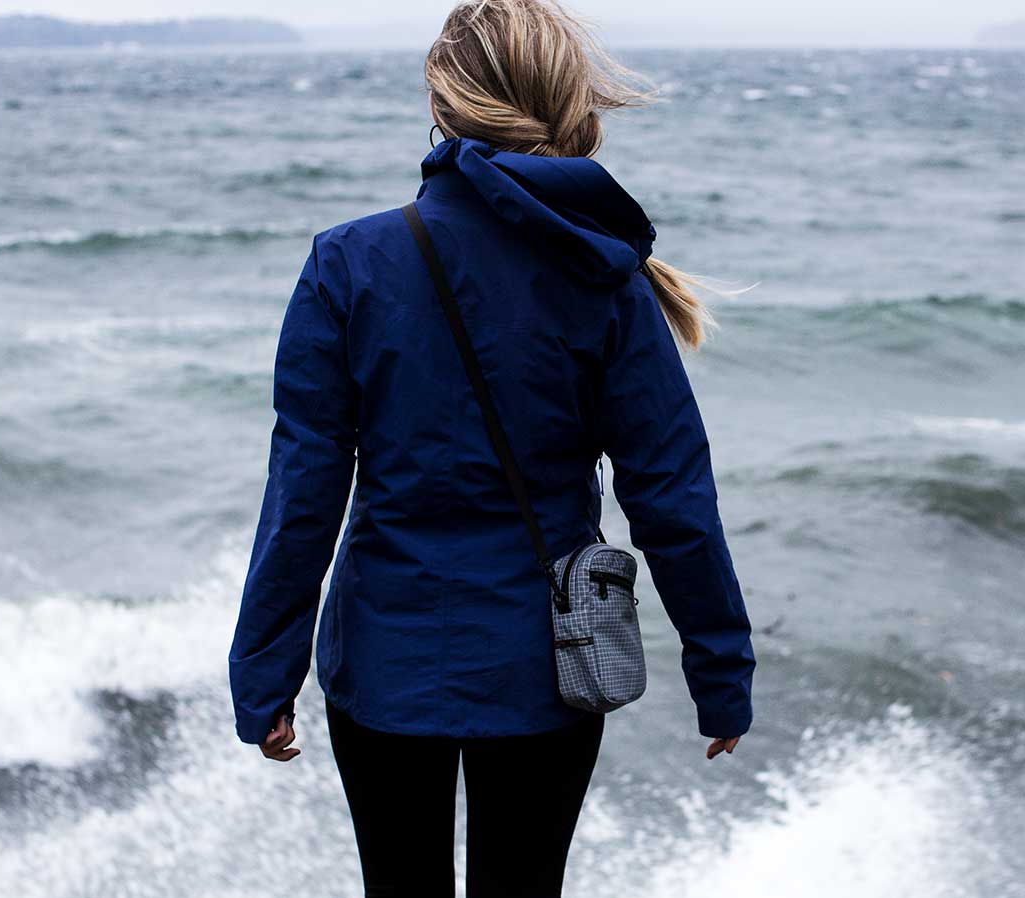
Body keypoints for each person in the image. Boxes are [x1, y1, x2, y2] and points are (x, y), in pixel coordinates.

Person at [226, 0, 756, 895]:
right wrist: (720, 667)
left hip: (385, 660)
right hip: (546, 666)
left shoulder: (349, 262)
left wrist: (265, 671)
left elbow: (305, 490)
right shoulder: (606, 277)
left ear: (443, 102)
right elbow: (671, 495)